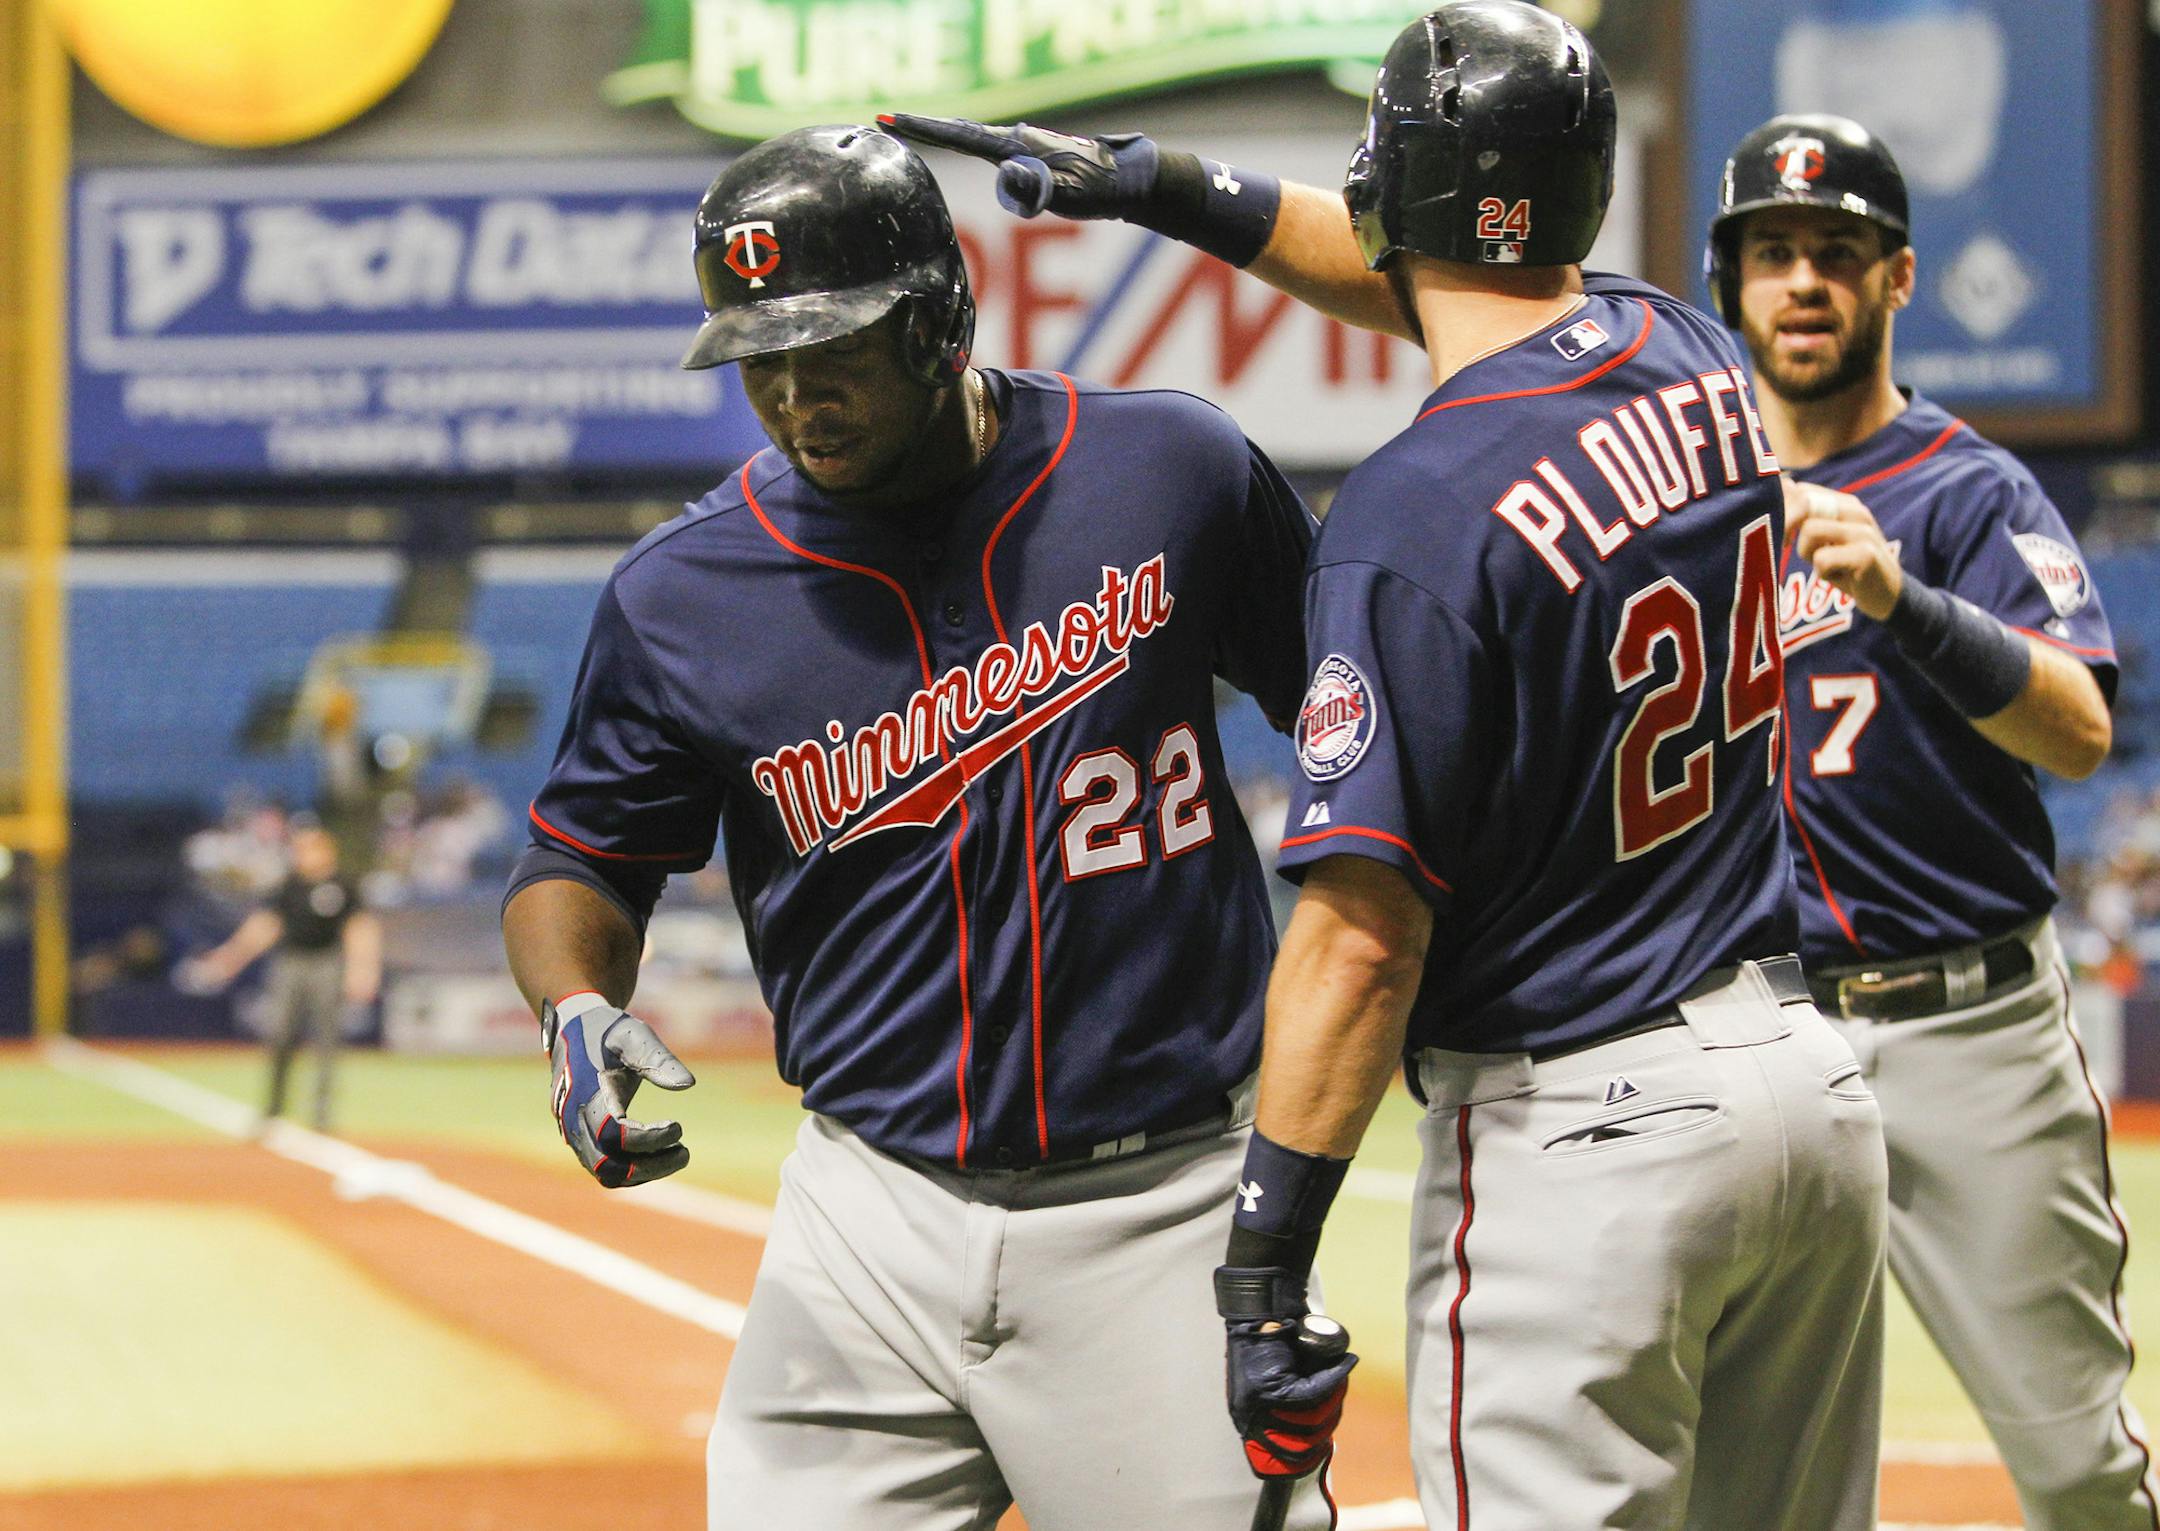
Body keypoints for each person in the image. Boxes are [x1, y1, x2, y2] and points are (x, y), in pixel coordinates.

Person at [895, 6, 1887, 1526]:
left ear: (1403, 193)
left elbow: (1358, 942)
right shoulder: (1687, 351)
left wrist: (1265, 1253)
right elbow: (1463, 278)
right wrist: (1163, 186)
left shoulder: (1409, 516)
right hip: (1808, 1098)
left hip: (1588, 1131)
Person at [498, 123, 1333, 1530]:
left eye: (830, 349)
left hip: (1164, 1202)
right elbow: (581, 855)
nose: (792, 395)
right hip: (862, 1214)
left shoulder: (1171, 470)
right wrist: (574, 1002)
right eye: (759, 359)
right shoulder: (680, 592)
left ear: (942, 314)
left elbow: (1350, 718)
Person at [1709, 113, 2152, 1530]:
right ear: (1733, 285)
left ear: (1897, 280)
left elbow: (2078, 733)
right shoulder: (1686, 509)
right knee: (1754, 1481)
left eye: (1837, 253)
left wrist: (1904, 600)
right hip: (1759, 1040)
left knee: (2079, 1463)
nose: (1802, 282)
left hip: (1967, 1031)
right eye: (1772, 253)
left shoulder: (1971, 491)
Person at [187, 821, 380, 1132]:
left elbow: (359, 928)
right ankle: (274, 1110)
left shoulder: (343, 885)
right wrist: (231, 956)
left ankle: (321, 1116)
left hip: (326, 963)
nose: (303, 855)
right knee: (280, 1035)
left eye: (310, 848)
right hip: (291, 962)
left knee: (326, 1041)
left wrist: (363, 969)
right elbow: (264, 925)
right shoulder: (288, 885)